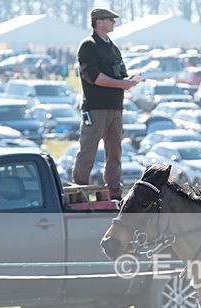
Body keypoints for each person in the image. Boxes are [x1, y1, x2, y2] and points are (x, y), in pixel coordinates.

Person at [72, 8, 143, 200]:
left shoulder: (113, 47)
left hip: (115, 107)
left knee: (115, 153)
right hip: (96, 108)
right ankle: (78, 193)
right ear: (99, 22)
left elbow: (119, 74)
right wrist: (123, 84)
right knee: (88, 152)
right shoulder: (88, 46)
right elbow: (93, 76)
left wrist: (131, 80)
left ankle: (114, 193)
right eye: (110, 19)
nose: (113, 23)